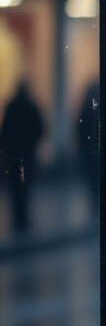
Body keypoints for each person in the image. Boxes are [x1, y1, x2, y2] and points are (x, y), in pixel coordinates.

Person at [0, 79, 46, 233]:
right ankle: (23, 219)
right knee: (24, 186)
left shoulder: (11, 106)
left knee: (16, 188)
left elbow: (4, 132)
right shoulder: (31, 106)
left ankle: (18, 219)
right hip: (27, 155)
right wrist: (31, 142)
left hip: (14, 156)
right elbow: (41, 130)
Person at [77, 78, 101, 214]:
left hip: (88, 151)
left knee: (92, 180)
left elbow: (80, 129)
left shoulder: (86, 108)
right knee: (95, 178)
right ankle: (96, 201)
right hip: (93, 151)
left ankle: (95, 201)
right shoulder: (96, 109)